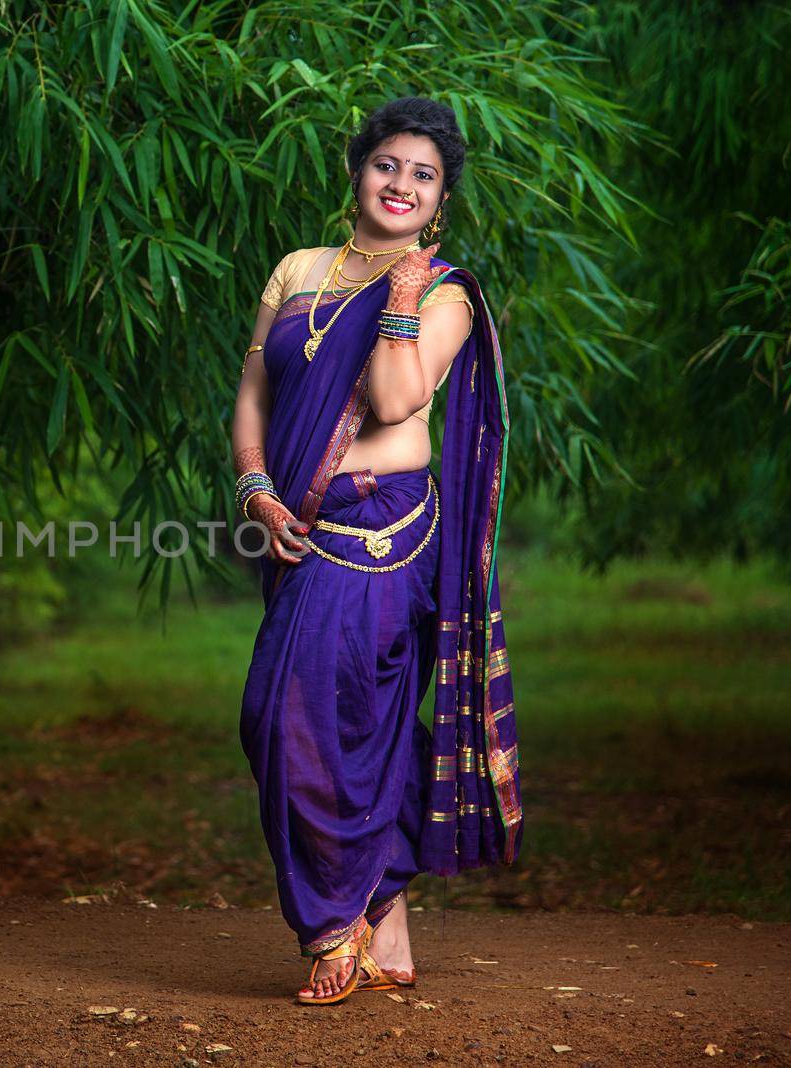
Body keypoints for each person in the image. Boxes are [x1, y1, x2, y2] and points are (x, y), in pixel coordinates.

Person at [232, 96, 523, 1006]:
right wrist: (253, 483)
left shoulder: (443, 294)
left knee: (284, 716)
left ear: (441, 202)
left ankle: (332, 924)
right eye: (388, 164)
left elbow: (396, 403)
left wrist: (398, 301)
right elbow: (253, 392)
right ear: (358, 171)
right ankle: (383, 911)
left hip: (385, 531)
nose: (402, 184)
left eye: (423, 176)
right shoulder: (297, 269)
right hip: (295, 524)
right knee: (363, 718)